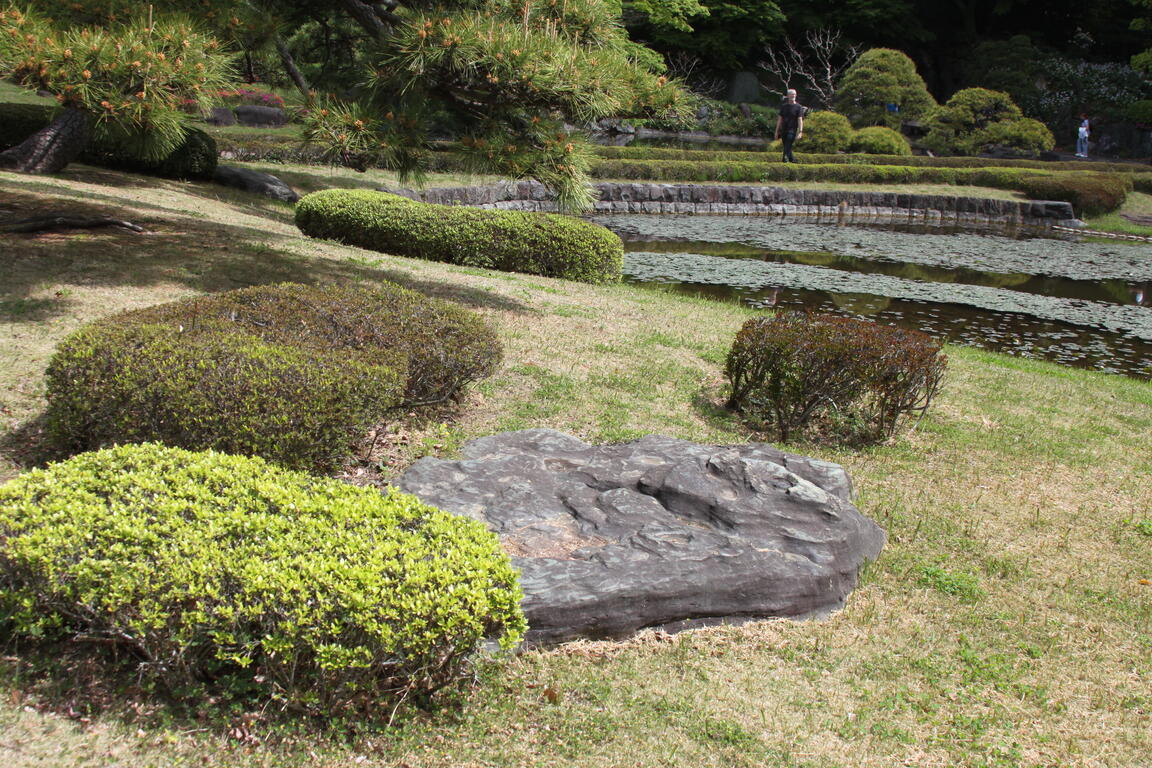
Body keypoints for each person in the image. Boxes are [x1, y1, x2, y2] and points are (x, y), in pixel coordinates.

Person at [775, 89, 804, 163]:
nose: (793, 96)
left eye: (794, 94)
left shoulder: (798, 107)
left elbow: (800, 120)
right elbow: (779, 119)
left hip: (792, 130)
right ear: (788, 96)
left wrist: (800, 131)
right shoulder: (784, 106)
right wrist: (776, 131)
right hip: (784, 130)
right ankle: (793, 160)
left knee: (788, 144)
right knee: (787, 146)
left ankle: (784, 160)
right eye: (791, 94)